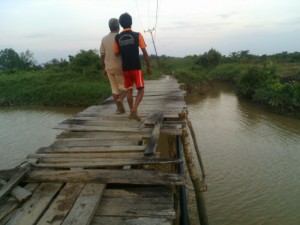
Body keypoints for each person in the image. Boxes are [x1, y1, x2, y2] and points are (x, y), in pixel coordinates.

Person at [114, 12, 152, 122]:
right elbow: (144, 52)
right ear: (131, 22)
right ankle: (134, 110)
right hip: (136, 67)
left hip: (125, 68)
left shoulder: (118, 37)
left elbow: (116, 54)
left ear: (121, 24)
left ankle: (131, 112)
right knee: (141, 90)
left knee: (129, 89)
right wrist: (149, 66)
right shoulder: (137, 35)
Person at [100, 18, 127, 114]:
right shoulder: (120, 37)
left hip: (109, 68)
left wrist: (103, 68)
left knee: (115, 89)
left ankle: (118, 109)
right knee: (125, 87)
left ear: (109, 27)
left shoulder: (104, 39)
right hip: (120, 67)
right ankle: (120, 100)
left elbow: (102, 55)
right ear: (118, 27)